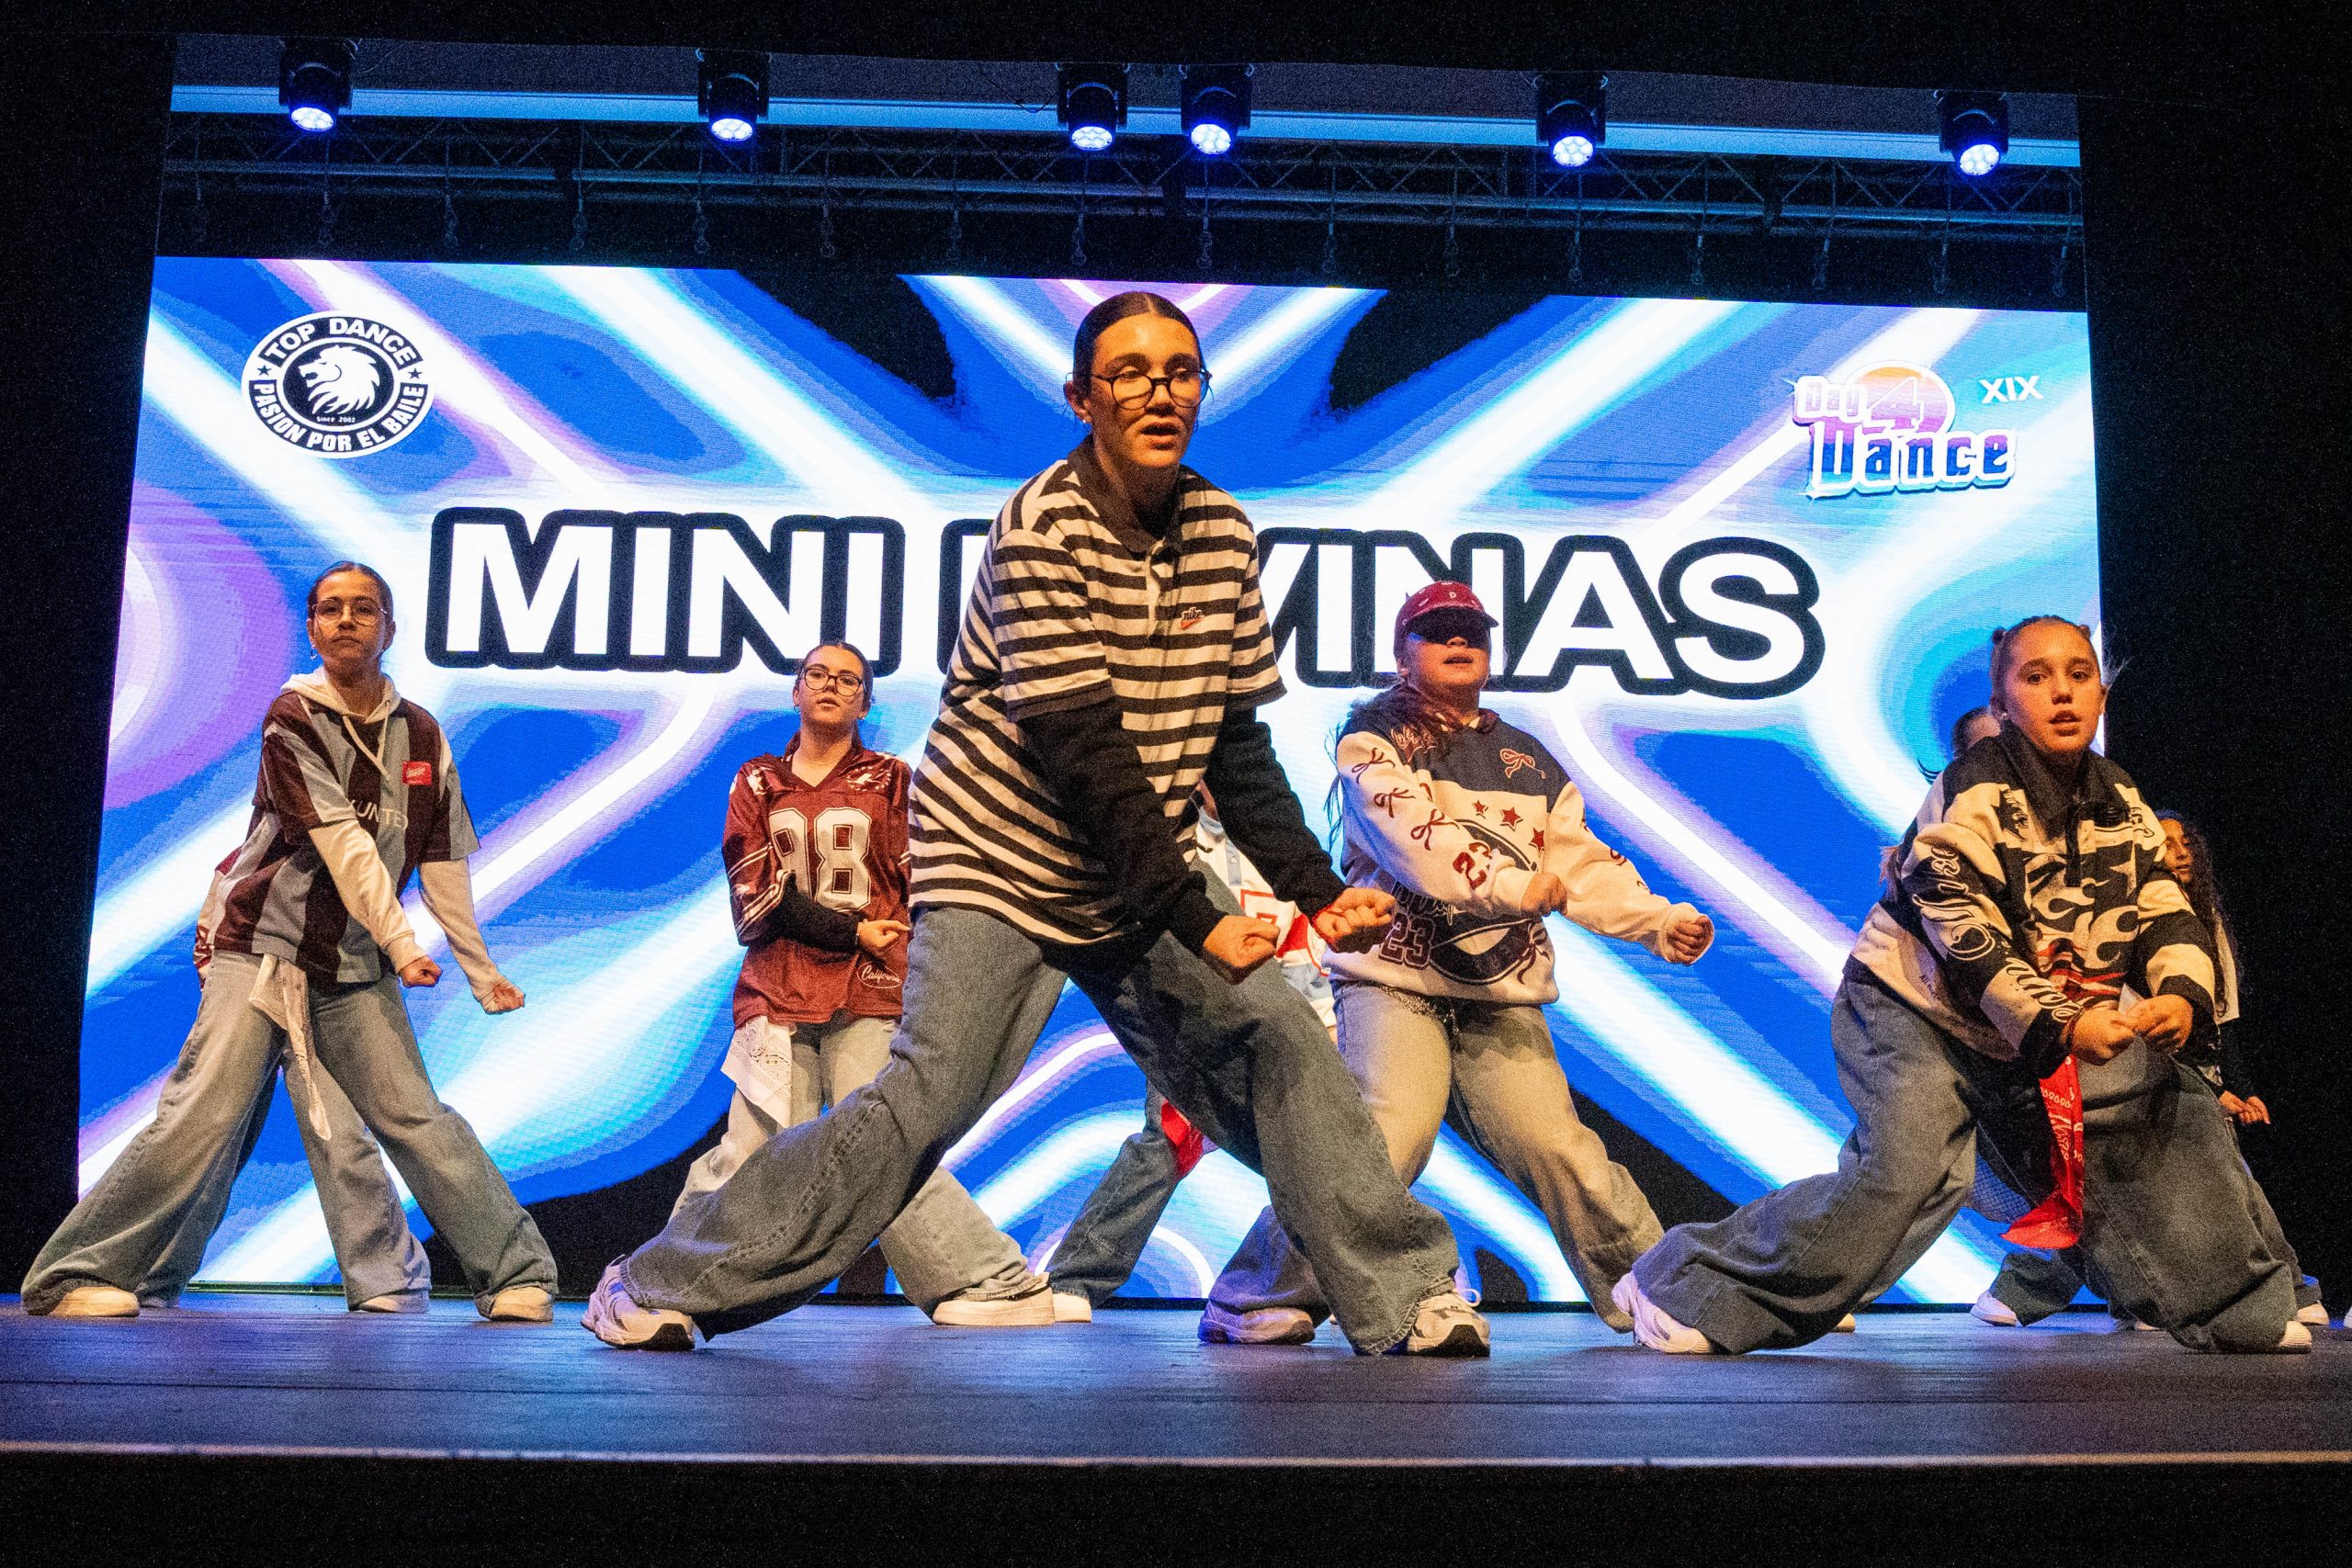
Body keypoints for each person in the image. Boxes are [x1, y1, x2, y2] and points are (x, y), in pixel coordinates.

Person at [584, 289, 1481, 1356]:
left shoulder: (1222, 533)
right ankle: (661, 1279)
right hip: (1001, 859)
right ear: (1081, 398)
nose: (1159, 393)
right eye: (1130, 374)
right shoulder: (1039, 528)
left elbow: (1232, 743)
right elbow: (1083, 753)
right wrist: (1197, 919)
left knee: (1281, 1044)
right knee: (927, 1096)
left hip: (1131, 867)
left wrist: (1316, 893)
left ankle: (1380, 1294)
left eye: (1180, 372)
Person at [1614, 615, 2307, 1354]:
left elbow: (2161, 905)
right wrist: (2065, 1023)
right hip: (1914, 1012)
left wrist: (2180, 993)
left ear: (2102, 695)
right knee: (1910, 1175)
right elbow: (1960, 923)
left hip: (2024, 1032)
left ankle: (2240, 1307)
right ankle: (1681, 1281)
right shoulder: (1975, 788)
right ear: (2002, 704)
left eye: (2079, 675)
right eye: (2036, 677)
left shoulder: (2120, 799)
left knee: (2170, 1100)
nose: (2062, 692)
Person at [23, 563, 558, 1321]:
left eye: (364, 608)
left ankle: (516, 1274)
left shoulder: (421, 733)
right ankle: (69, 1275)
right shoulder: (293, 715)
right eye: (331, 609)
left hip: (354, 960)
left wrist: (479, 968)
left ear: (389, 628)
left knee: (414, 1116)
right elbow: (343, 845)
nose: (346, 620)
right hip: (262, 946)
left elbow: (440, 858)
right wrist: (405, 946)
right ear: (311, 629)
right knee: (204, 1116)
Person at [1200, 582, 1714, 1344]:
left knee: (1560, 1148)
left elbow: (1579, 862)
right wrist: (1510, 884)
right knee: (1386, 1137)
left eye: (1471, 629)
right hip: (1395, 981)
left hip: (1499, 988)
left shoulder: (1528, 758)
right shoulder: (1373, 738)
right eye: (1437, 629)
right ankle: (1252, 1293)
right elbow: (1415, 840)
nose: (1458, 639)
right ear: (1402, 652)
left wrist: (1657, 920)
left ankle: (1665, 1293)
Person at [678, 641, 1053, 1325]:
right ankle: (662, 1284)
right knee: (752, 1149)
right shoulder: (757, 780)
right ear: (796, 690)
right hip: (777, 989)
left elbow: (922, 883)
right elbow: (756, 896)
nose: (831, 685)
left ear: (865, 703)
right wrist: (851, 929)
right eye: (817, 674)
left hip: (869, 988)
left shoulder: (891, 781)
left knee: (890, 1144)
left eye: (848, 680)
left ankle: (985, 1278)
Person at [1973, 808, 2327, 1329]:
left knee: (2221, 1185)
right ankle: (2049, 1291)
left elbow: (2221, 1018)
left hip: (2193, 1067)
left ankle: (2286, 1291)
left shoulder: (2204, 923)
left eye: (2185, 844)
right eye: (2165, 844)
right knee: (2107, 1184)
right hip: (2129, 1061)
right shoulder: (2121, 917)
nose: (2177, 853)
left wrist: (2235, 1087)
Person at [1044, 783, 1337, 1321]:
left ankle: (1330, 1281)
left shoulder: (1282, 850)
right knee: (1169, 1143)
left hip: (1282, 1018)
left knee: (1325, 1146)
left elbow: (1307, 955)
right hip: (1193, 1008)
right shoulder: (1179, 838)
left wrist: (1325, 1028)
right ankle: (1075, 1279)